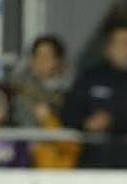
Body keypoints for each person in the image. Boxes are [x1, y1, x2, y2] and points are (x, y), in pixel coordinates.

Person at [62, 19, 127, 169]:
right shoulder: (90, 77)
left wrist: (113, 122)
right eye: (123, 43)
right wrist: (85, 123)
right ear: (109, 48)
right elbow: (69, 111)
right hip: (94, 164)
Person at [9, 34, 80, 170]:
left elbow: (73, 138)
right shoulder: (16, 90)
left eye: (47, 56)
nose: (41, 61)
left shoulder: (73, 93)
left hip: (58, 163)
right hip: (20, 158)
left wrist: (47, 119)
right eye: (37, 55)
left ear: (60, 61)